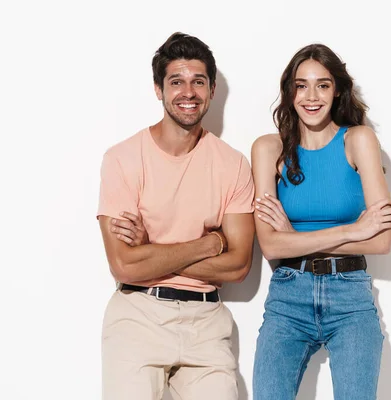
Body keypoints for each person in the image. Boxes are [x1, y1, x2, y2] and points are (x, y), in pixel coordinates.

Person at [97, 32, 255, 400]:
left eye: (198, 81)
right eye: (176, 81)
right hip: (137, 317)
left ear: (212, 90)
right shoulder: (121, 159)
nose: (189, 92)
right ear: (158, 89)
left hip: (207, 323)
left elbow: (237, 267)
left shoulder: (232, 165)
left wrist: (150, 250)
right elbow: (124, 266)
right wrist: (210, 243)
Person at [250, 43, 391, 400]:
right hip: (288, 293)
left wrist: (294, 236)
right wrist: (352, 230)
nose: (311, 96)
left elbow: (381, 241)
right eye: (301, 85)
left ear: (337, 90)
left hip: (350, 294)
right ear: (289, 91)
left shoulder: (359, 140)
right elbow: (270, 245)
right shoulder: (268, 149)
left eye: (323, 85)